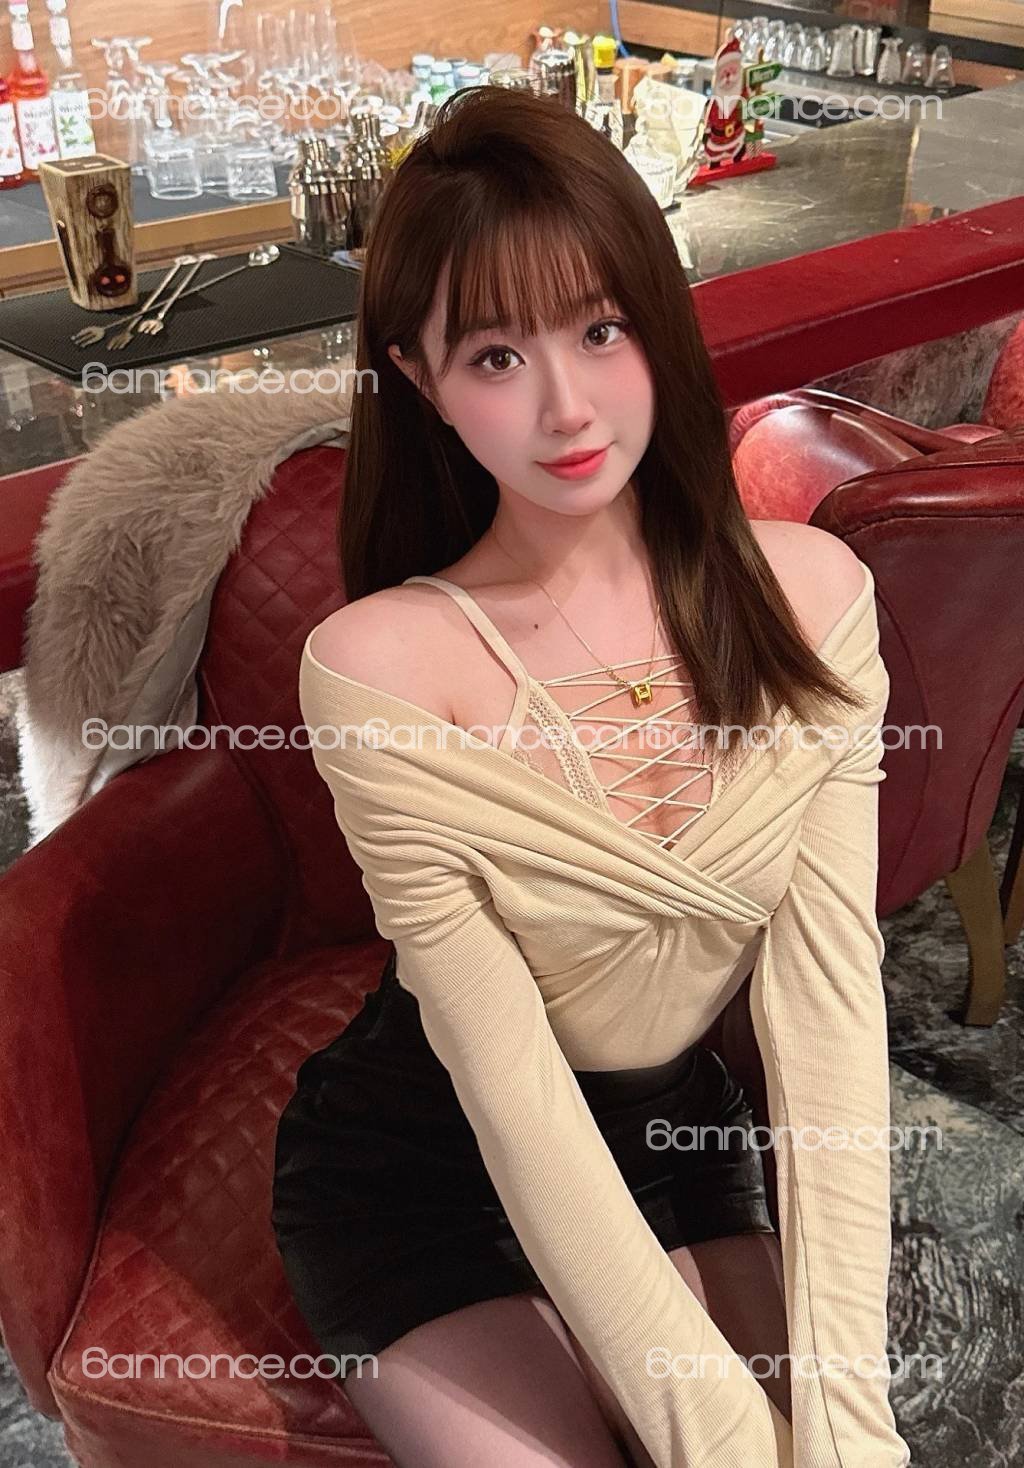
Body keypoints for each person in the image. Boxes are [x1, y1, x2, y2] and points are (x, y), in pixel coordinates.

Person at [271, 85, 912, 1468]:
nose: (565, 405)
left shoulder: (812, 601)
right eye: (495, 355)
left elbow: (827, 1010)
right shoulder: (381, 668)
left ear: (657, 326)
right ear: (418, 377)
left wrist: (850, 1426)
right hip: (421, 1165)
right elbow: (507, 1085)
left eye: (600, 329)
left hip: (669, 1140)